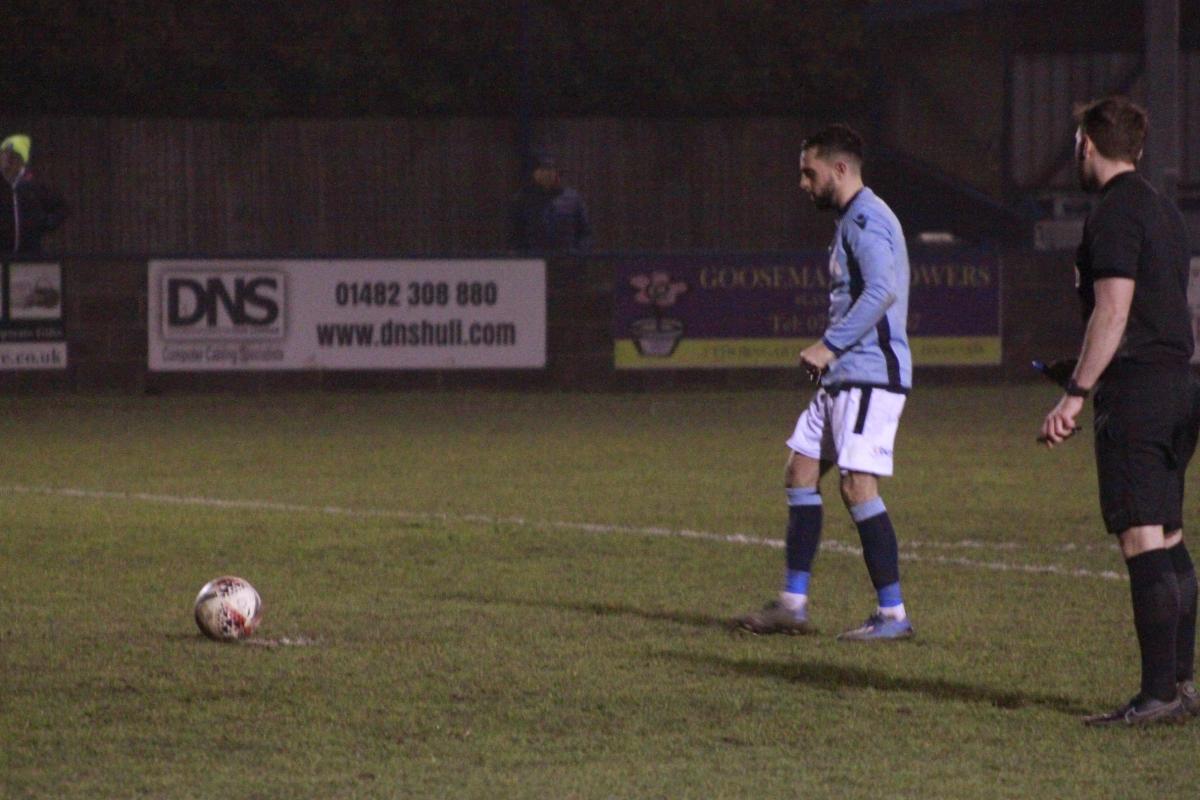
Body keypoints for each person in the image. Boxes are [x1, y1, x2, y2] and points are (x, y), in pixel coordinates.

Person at [1040, 96, 1200, 727]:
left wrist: (1075, 393)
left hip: (1138, 394)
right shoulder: (1164, 210)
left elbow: (1114, 310)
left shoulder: (1113, 212)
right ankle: (1181, 686)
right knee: (1169, 535)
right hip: (1178, 385)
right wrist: (1084, 367)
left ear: (1087, 144)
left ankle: (1157, 695)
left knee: (1141, 538)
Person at [737, 124, 915, 641]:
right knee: (801, 470)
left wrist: (828, 345)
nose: (802, 183)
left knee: (857, 485)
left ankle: (893, 616)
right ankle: (792, 606)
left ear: (839, 169)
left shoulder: (867, 219)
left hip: (869, 374)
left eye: (808, 172)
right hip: (844, 375)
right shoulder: (850, 220)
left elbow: (882, 290)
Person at [509, 151, 591, 254]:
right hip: (534, 260)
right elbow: (515, 235)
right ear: (534, 173)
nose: (547, 173)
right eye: (543, 169)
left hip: (566, 259)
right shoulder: (522, 199)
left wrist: (578, 254)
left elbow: (585, 232)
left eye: (551, 169)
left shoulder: (573, 199)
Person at [0, 134, 68, 257]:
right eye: (4, 156)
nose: (7, 162)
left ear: (22, 162)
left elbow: (61, 208)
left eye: (13, 157)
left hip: (30, 256)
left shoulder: (34, 186)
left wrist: (43, 224)